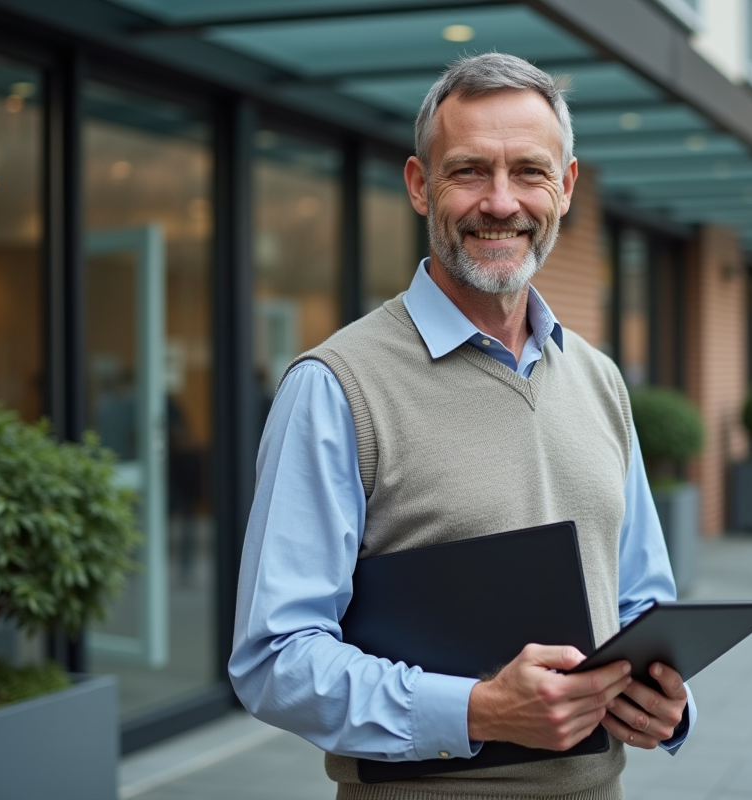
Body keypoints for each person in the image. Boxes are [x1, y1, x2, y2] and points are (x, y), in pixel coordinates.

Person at [229, 54, 695, 799]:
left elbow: (640, 600)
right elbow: (274, 658)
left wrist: (667, 698)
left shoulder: (601, 379)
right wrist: (477, 710)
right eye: (470, 171)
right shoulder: (336, 388)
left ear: (566, 187)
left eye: (530, 172)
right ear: (421, 185)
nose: (501, 203)